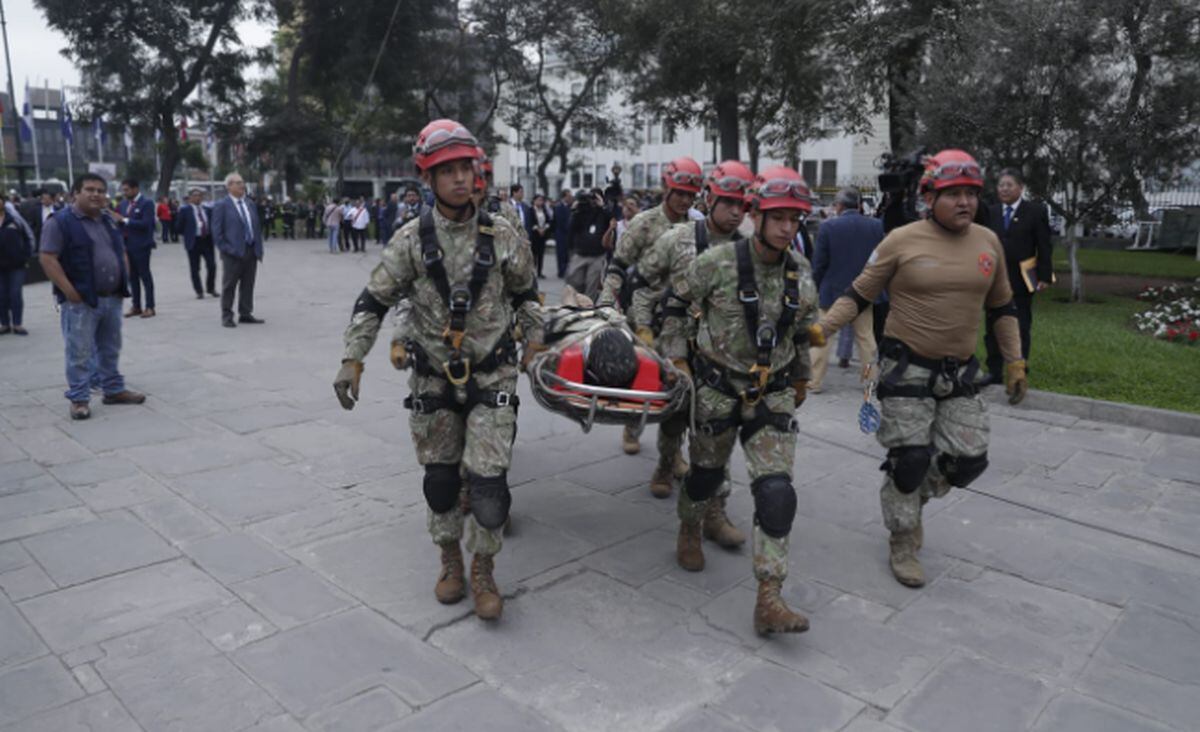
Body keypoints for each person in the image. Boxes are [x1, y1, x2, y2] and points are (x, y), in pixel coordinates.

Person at [333, 118, 543, 622]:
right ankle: (451, 561)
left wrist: (535, 342)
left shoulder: (503, 234)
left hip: (492, 374)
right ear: (426, 178)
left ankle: (484, 571)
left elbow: (527, 296)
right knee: (442, 483)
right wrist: (353, 359)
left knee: (489, 490)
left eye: (465, 168)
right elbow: (373, 301)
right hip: (433, 379)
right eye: (446, 171)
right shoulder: (409, 241)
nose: (459, 178)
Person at [813, 149, 1028, 588]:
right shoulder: (901, 240)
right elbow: (858, 294)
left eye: (971, 193)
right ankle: (903, 538)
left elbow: (1003, 307)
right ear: (929, 197)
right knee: (909, 460)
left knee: (969, 461)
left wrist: (1015, 360)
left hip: (959, 373)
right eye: (954, 194)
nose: (965, 202)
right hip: (906, 368)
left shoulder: (988, 242)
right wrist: (821, 330)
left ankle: (907, 499)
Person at [667, 166, 819, 635]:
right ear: (757, 215)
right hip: (717, 389)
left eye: (795, 219)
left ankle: (769, 597)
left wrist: (800, 376)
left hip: (772, 393)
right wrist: (677, 358)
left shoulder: (800, 270)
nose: (788, 228)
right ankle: (690, 526)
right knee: (705, 476)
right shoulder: (716, 263)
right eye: (779, 218)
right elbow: (676, 304)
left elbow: (801, 331)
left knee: (776, 493)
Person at [632, 159, 756, 554]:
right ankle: (666, 464)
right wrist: (643, 328)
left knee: (717, 433)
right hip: (677, 345)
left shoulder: (748, 249)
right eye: (728, 202)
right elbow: (641, 282)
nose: (735, 212)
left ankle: (714, 512)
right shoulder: (677, 239)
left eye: (742, 205)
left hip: (723, 356)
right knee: (674, 419)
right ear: (711, 199)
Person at [599, 156, 702, 456]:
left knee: (681, 385)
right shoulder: (644, 223)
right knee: (643, 378)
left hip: (683, 318)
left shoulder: (698, 227)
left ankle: (672, 454)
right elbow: (618, 266)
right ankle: (633, 425)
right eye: (680, 193)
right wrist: (605, 303)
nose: (685, 200)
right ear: (666, 189)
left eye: (690, 195)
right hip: (644, 314)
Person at [37, 173, 146, 420]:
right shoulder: (61, 222)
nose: (96, 194)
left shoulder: (107, 220)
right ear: (75, 193)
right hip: (81, 301)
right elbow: (47, 257)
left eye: (100, 190)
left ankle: (113, 390)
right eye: (89, 189)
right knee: (80, 351)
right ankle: (79, 398)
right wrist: (69, 291)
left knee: (110, 348)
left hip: (112, 297)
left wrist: (123, 277)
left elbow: (120, 250)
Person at [808, 187, 884, 393]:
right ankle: (870, 381)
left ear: (839, 206)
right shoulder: (876, 226)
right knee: (866, 338)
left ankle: (814, 381)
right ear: (859, 205)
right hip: (863, 292)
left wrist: (813, 287)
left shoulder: (828, 227)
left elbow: (819, 264)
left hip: (832, 292)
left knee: (822, 335)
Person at [982, 168, 1052, 386]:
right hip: (994, 280)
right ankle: (994, 371)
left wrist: (1044, 276)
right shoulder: (991, 212)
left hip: (1021, 279)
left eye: (1009, 185)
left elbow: (1044, 245)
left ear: (1020, 188)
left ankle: (1019, 369)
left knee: (1020, 326)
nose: (1004, 189)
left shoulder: (1035, 211)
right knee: (993, 327)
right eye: (1001, 185)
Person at [211, 172, 265, 328]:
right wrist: (227, 249)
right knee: (229, 286)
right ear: (229, 186)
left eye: (242, 182)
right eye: (238, 182)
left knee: (248, 284)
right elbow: (217, 233)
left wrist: (258, 248)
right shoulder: (222, 205)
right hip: (232, 253)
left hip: (251, 251)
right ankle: (227, 315)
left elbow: (256, 227)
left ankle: (245, 313)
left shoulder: (249, 203)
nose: (242, 185)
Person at [112, 179, 157, 318]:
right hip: (127, 245)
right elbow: (119, 224)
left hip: (141, 245)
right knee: (132, 278)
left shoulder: (147, 203)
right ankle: (136, 306)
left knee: (145, 276)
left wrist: (125, 220)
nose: (124, 193)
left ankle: (150, 307)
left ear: (135, 189)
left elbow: (146, 224)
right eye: (123, 190)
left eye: (126, 190)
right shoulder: (123, 204)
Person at [565, 189, 612, 302]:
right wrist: (575, 210)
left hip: (597, 255)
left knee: (592, 286)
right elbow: (571, 228)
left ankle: (589, 307)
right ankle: (576, 304)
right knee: (574, 283)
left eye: (595, 198)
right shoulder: (581, 211)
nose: (592, 201)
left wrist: (602, 206)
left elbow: (612, 221)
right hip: (580, 253)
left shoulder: (603, 212)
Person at [176, 189, 218, 299]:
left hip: (207, 241)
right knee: (195, 268)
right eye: (195, 196)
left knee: (212, 266)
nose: (197, 198)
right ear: (190, 198)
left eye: (199, 195)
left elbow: (213, 223)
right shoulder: (185, 210)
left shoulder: (207, 210)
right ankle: (199, 291)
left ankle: (211, 288)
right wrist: (188, 233)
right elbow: (179, 227)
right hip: (193, 241)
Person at [0, 201, 33, 335]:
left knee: (15, 294)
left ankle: (17, 324)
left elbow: (28, 237)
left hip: (17, 265)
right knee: (1, 295)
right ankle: (5, 324)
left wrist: (26, 256)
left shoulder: (15, 219)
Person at [529, 193, 552, 278]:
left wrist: (544, 228)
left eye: (541, 200)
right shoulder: (531, 210)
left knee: (541, 254)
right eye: (538, 200)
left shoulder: (544, 210)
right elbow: (531, 221)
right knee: (533, 254)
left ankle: (540, 272)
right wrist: (537, 229)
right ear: (534, 201)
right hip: (534, 234)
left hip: (542, 235)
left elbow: (548, 220)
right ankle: (532, 271)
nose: (540, 202)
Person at [552, 189, 574, 278]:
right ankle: (561, 271)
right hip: (561, 234)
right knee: (561, 253)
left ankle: (566, 270)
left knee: (567, 253)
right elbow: (560, 221)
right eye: (569, 196)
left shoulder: (570, 207)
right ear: (564, 197)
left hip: (569, 234)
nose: (570, 198)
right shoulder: (559, 207)